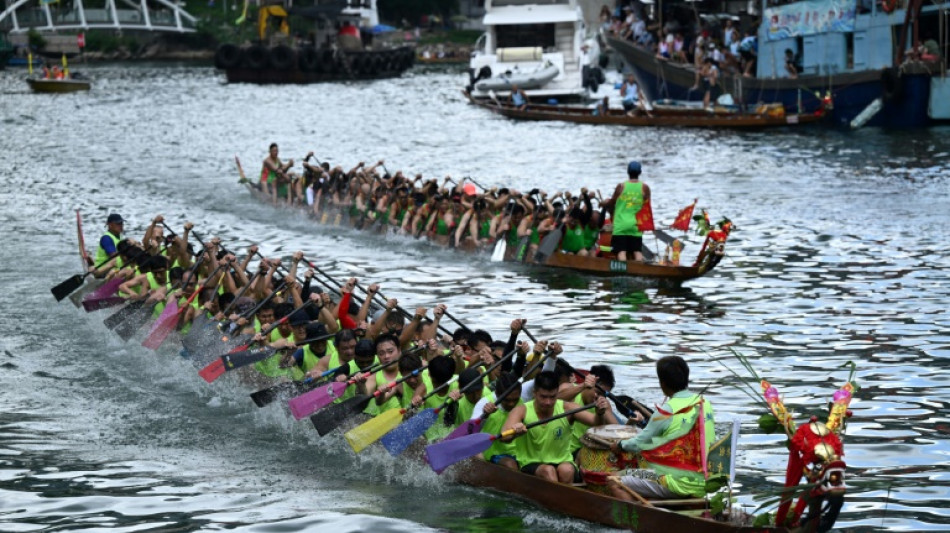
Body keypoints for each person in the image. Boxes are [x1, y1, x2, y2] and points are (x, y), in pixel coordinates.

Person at [608, 356, 715, 500]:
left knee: (613, 480)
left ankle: (642, 520)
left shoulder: (665, 411)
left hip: (675, 483)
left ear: (662, 383)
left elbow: (638, 443)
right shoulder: (704, 403)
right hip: (706, 482)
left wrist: (620, 445)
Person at [502, 370, 610, 484]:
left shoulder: (567, 409)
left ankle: (560, 498)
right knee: (548, 471)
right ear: (534, 393)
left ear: (557, 393)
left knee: (567, 470)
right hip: (530, 463)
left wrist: (600, 413)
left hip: (562, 461)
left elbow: (596, 423)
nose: (548, 402)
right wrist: (514, 433)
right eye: (543, 397)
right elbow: (504, 437)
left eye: (552, 397)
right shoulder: (521, 411)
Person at [601, 161, 651, 262]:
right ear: (640, 172)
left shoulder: (621, 186)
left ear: (628, 172)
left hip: (621, 225)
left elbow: (612, 202)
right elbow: (647, 207)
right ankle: (639, 270)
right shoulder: (645, 188)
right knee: (637, 251)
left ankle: (625, 272)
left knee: (621, 251)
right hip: (636, 225)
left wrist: (604, 204)